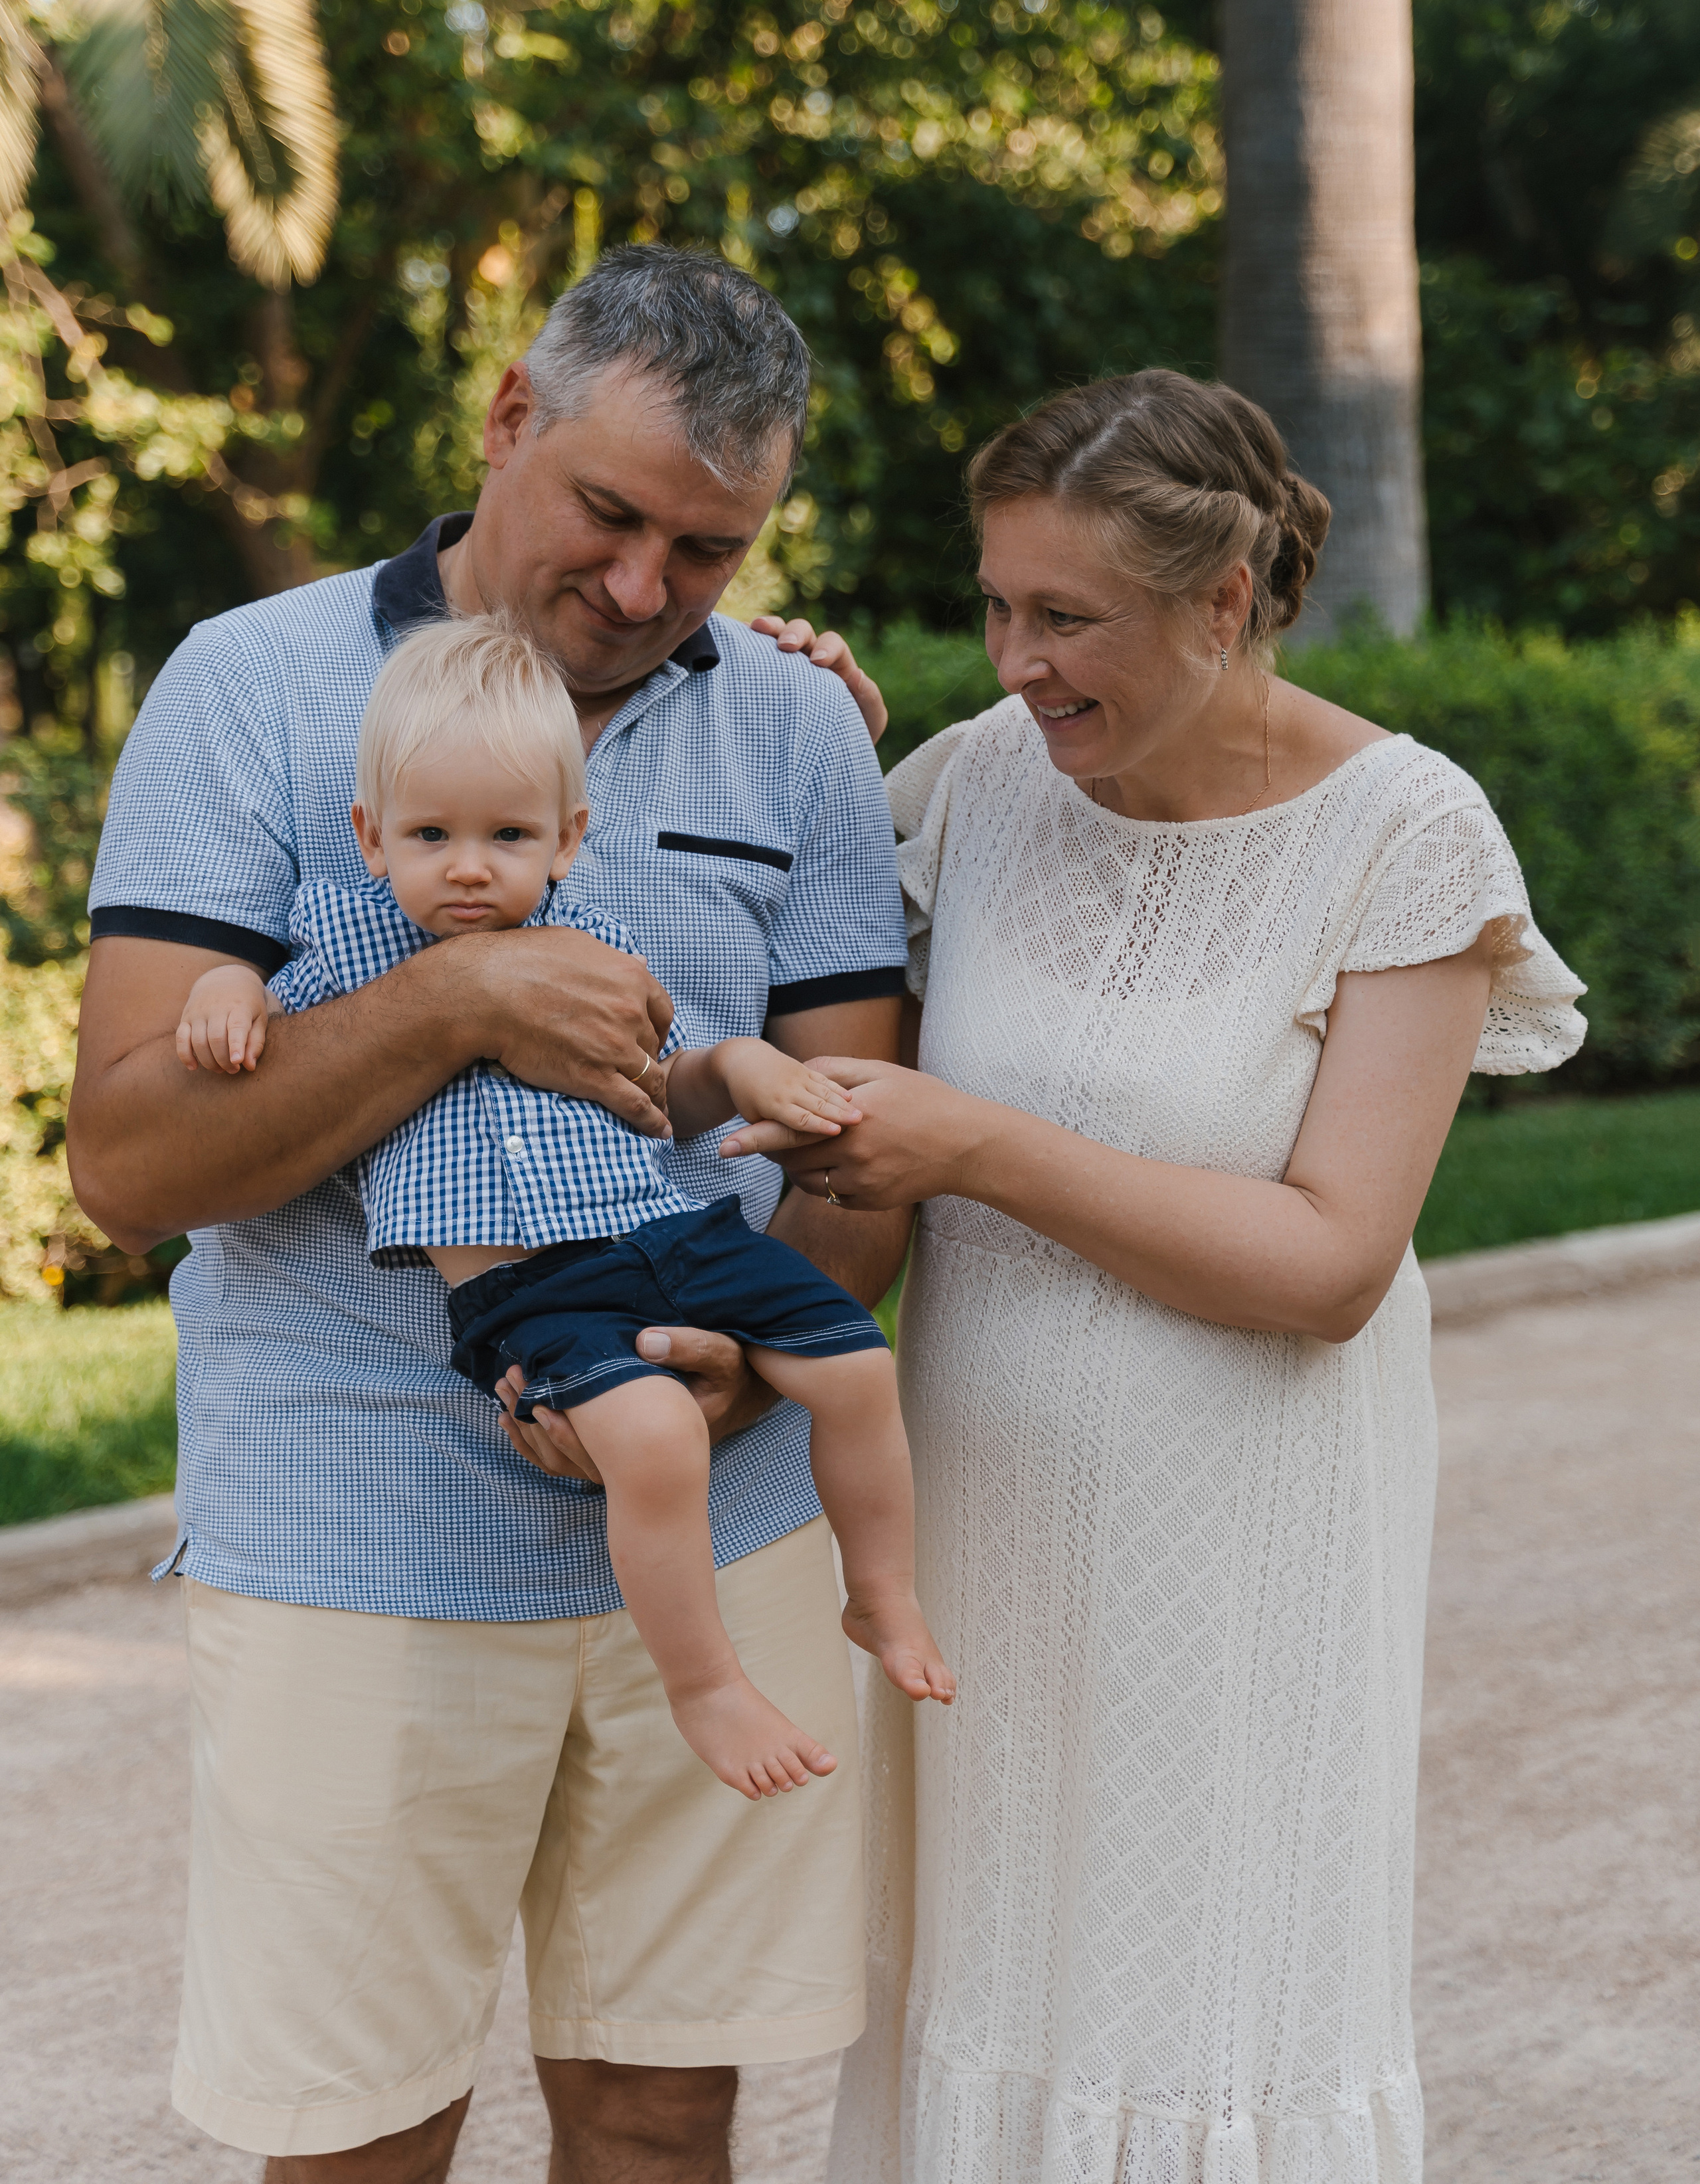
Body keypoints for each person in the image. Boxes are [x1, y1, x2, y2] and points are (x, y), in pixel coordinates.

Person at [67, 247, 913, 2184]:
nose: (643, 594)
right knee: (361, 2133)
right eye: (612, 518)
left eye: (707, 553)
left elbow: (856, 1143)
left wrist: (740, 1371)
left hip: (728, 1523)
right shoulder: (254, 688)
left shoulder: (796, 734)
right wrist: (456, 995)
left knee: (659, 2116)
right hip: (359, 1541)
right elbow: (124, 1164)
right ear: (509, 424)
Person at [770, 372, 1587, 2184]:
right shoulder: (981, 778)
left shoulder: (1408, 836)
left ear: (1224, 602)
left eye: (1067, 618)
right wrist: (784, 716)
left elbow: (1330, 1261)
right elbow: (788, 921)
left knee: (1205, 1988)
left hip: (1241, 1550)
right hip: (976, 1528)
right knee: (987, 1979)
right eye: (998, 603)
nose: (1015, 660)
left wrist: (977, 1147)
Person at [177, 613, 954, 1800]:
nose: (472, 865)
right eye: (432, 834)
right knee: (652, 1437)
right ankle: (707, 1685)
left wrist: (742, 1068)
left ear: (569, 839)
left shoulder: (594, 942)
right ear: (370, 837)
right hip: (528, 1291)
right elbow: (271, 1008)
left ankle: (884, 1595)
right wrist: (227, 989)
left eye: (508, 834)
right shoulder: (351, 943)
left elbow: (669, 1089)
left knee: (853, 1366)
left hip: (665, 1230)